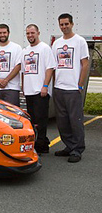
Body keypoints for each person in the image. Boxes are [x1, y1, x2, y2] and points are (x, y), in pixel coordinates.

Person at [52, 13, 89, 163]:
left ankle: (77, 149)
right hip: (59, 88)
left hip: (73, 89)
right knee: (62, 121)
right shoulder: (56, 43)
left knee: (75, 120)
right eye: (61, 24)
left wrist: (80, 84)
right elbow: (53, 66)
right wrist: (53, 85)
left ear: (72, 24)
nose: (64, 27)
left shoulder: (79, 41)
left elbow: (85, 64)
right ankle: (69, 146)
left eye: (66, 24)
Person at [21, 24, 56, 153]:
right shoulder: (25, 51)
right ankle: (40, 142)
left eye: (32, 33)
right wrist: (24, 88)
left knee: (41, 121)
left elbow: (50, 68)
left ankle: (41, 146)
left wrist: (45, 86)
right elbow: (24, 72)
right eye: (28, 33)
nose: (30, 36)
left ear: (38, 33)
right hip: (29, 91)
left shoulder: (45, 49)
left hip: (40, 91)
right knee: (33, 121)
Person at [0, 24, 22, 106]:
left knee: (12, 114)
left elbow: (18, 66)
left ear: (8, 33)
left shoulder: (16, 48)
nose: (2, 35)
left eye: (4, 32)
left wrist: (6, 80)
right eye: (0, 33)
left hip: (12, 88)